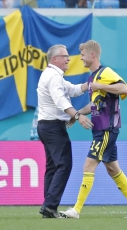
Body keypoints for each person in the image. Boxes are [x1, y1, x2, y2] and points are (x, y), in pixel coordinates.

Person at [61, 41, 127, 219]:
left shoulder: (105, 73)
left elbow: (124, 88)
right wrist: (76, 115)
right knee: (112, 168)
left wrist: (102, 86)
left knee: (88, 165)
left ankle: (76, 210)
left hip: (107, 128)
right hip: (101, 129)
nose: (81, 58)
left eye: (83, 54)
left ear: (92, 55)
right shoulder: (92, 78)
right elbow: (94, 105)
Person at [36, 44, 91, 219]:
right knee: (64, 164)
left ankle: (48, 205)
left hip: (47, 125)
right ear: (54, 59)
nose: (69, 59)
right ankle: (50, 206)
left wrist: (91, 84)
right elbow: (60, 101)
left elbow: (73, 90)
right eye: (65, 56)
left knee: (53, 166)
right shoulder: (53, 76)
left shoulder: (54, 75)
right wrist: (77, 115)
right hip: (52, 126)